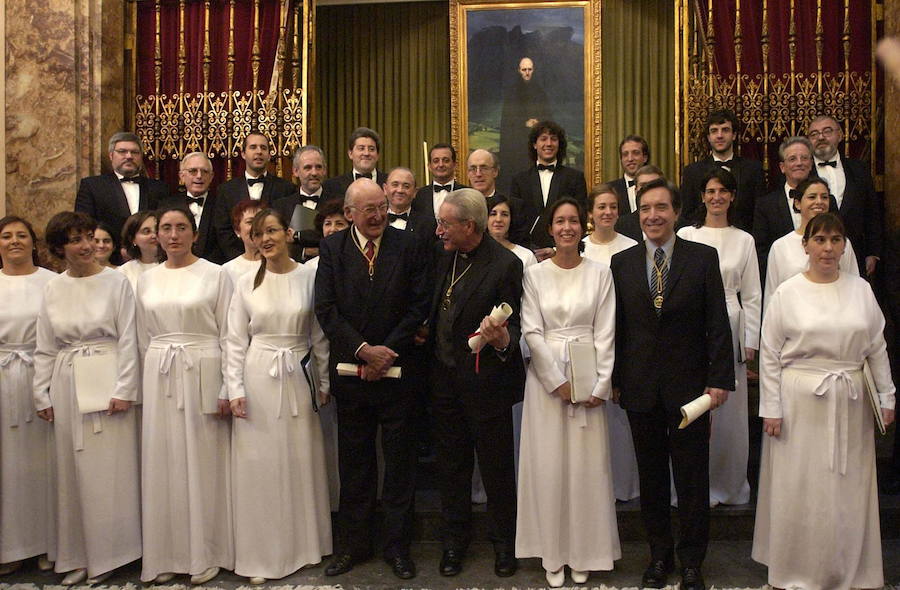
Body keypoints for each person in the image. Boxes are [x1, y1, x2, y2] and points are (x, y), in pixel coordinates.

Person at [752, 212, 896, 590]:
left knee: (846, 489)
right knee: (802, 489)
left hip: (850, 401)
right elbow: (769, 354)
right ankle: (799, 570)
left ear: (844, 245)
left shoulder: (860, 289)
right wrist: (771, 408)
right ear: (806, 246)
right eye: (820, 240)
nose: (828, 248)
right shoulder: (787, 292)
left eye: (835, 240)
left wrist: (887, 395)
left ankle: (851, 570)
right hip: (799, 403)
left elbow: (876, 347)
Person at [610, 178, 733, 590]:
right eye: (645, 209)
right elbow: (618, 328)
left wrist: (718, 380)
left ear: (677, 212)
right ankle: (659, 557)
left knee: (692, 478)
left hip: (690, 390)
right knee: (652, 479)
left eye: (660, 207)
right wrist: (614, 381)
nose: (653, 216)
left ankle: (693, 560)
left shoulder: (702, 259)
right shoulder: (622, 263)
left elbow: (717, 322)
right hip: (640, 387)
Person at [314, 178, 430, 580]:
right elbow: (326, 309)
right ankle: (354, 546)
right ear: (349, 214)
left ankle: (397, 547)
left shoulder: (408, 244)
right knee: (356, 465)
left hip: (398, 373)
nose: (379, 215)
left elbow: (419, 305)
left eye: (382, 206)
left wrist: (386, 352)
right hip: (351, 375)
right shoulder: (331, 250)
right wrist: (363, 350)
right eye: (369, 210)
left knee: (400, 467)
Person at [516, 198, 620, 587]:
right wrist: (553, 378)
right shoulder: (535, 275)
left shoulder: (600, 274)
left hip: (589, 373)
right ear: (551, 228)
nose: (566, 228)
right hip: (547, 383)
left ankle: (585, 551)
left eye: (573, 221)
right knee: (549, 466)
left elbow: (607, 330)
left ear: (584, 226)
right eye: (559, 221)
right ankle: (552, 551)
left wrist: (601, 383)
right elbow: (531, 329)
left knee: (585, 468)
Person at [33, 211, 141, 586]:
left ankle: (111, 552)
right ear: (60, 247)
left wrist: (125, 389)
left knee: (106, 473)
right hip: (67, 380)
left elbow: (130, 338)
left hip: (106, 379)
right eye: (75, 240)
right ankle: (77, 553)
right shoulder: (53, 287)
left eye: (88, 237)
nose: (85, 246)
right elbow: (44, 346)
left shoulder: (116, 282)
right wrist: (41, 392)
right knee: (71, 474)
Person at [226, 209, 332, 585]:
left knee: (299, 459)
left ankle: (303, 547)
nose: (265, 239)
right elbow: (235, 341)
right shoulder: (243, 282)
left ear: (287, 234)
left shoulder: (309, 276)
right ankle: (262, 553)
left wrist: (322, 381)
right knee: (261, 465)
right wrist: (234, 389)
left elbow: (318, 333)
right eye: (258, 234)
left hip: (299, 376)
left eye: (271, 231)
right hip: (259, 378)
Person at [429, 188, 525, 579]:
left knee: (496, 468)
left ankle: (505, 543)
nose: (439, 231)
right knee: (451, 469)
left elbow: (516, 325)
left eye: (445, 224)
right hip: (444, 381)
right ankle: (455, 542)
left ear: (469, 225)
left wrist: (503, 340)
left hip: (487, 387)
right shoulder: (443, 255)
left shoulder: (505, 265)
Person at [136, 206, 234, 584]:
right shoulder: (147, 279)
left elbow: (229, 332)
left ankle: (207, 552)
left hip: (202, 370)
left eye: (181, 228)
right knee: (165, 464)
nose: (173, 234)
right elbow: (144, 336)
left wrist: (228, 385)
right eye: (166, 228)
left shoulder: (216, 274)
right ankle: (167, 554)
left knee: (203, 463)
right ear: (157, 235)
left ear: (194, 233)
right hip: (161, 373)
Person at [677, 168, 760, 506]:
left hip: (732, 323)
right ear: (701, 196)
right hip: (691, 325)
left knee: (729, 416)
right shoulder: (687, 235)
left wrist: (750, 339)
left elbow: (753, 295)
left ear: (732, 196)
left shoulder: (745, 240)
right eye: (710, 191)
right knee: (694, 409)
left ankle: (729, 486)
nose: (716, 197)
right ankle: (693, 489)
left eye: (723, 191)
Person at [0, 216, 56, 576]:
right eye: (6, 236)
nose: (14, 241)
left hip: (42, 376)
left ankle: (46, 542)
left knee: (44, 464)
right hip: (4, 378)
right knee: (9, 466)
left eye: (22, 235)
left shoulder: (50, 282)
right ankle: (11, 545)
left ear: (34, 243)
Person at [581, 184, 640, 502]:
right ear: (590, 213)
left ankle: (622, 484)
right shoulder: (580, 247)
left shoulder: (632, 246)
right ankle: (594, 487)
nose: (607, 212)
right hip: (587, 339)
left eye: (612, 207)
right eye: (601, 207)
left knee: (618, 417)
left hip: (623, 334)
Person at [303, 197, 348, 508]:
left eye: (339, 223)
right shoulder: (308, 269)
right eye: (327, 224)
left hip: (352, 354)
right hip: (320, 357)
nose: (332, 229)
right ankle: (329, 502)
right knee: (325, 438)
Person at [807, 115, 884, 276]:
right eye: (814, 134)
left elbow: (872, 212)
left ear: (840, 135)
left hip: (857, 253)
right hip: (814, 255)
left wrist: (873, 252)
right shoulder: (802, 173)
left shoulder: (859, 169)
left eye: (827, 131)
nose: (820, 137)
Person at [764, 177, 859, 306]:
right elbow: (772, 294)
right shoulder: (780, 246)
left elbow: (853, 285)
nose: (819, 202)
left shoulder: (840, 242)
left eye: (824, 197)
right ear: (797, 203)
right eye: (812, 197)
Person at [75, 131, 168, 262]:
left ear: (141, 156)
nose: (129, 156)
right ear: (111, 155)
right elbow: (84, 225)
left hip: (152, 260)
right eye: (122, 151)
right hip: (107, 261)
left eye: (134, 152)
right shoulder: (92, 186)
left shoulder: (159, 188)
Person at [509, 121, 588, 257]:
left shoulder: (575, 178)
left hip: (564, 253)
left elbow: (580, 219)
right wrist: (529, 252)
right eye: (543, 139)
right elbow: (516, 222)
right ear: (534, 144)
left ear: (560, 144)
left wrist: (556, 250)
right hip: (528, 255)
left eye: (554, 139)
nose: (549, 143)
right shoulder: (519, 180)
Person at [213, 131, 295, 261]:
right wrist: (243, 260)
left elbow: (288, 226)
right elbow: (223, 230)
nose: (259, 152)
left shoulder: (286, 188)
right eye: (253, 147)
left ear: (269, 155)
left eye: (263, 148)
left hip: (275, 260)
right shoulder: (226, 190)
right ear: (243, 154)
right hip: (238, 263)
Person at [753, 136, 824, 283]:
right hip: (782, 282)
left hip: (822, 277)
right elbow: (761, 251)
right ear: (782, 167)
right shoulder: (766, 205)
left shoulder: (826, 201)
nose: (799, 163)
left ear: (811, 164)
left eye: (804, 158)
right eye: (792, 159)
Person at [680, 109, 765, 231]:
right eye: (714, 131)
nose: (719, 135)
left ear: (734, 135)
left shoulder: (753, 170)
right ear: (708, 137)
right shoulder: (692, 172)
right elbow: (686, 214)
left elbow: (759, 214)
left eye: (725, 130)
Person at [272, 145, 341, 261]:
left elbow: (337, 239)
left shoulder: (337, 203)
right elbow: (277, 241)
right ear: (295, 171)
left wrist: (296, 236)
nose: (314, 173)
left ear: (324, 170)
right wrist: (305, 251)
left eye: (318, 167)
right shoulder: (280, 206)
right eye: (308, 168)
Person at [161, 152, 226, 263]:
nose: (199, 176)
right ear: (182, 176)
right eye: (193, 171)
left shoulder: (222, 204)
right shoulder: (167, 205)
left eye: (204, 171)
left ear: (211, 177)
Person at [499, 57, 552, 177]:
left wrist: (538, 122)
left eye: (529, 69)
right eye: (524, 70)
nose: (527, 73)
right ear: (519, 70)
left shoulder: (540, 92)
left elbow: (548, 116)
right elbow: (507, 121)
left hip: (537, 141)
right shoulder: (512, 93)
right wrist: (524, 123)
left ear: (533, 70)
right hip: (517, 142)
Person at [466, 149, 530, 246]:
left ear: (495, 171)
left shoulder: (515, 206)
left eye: (484, 168)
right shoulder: (459, 208)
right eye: (473, 169)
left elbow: (522, 246)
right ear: (468, 173)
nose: (478, 174)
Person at [322, 128, 389, 198]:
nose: (366, 153)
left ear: (378, 155)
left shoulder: (390, 183)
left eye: (371, 149)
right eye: (361, 148)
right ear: (350, 154)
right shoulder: (333, 186)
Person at [604, 135, 650, 225]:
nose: (630, 159)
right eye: (625, 154)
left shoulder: (659, 187)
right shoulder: (610, 189)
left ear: (645, 158)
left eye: (635, 153)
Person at [412, 143, 467, 219]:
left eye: (446, 160)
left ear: (454, 165)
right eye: (436, 161)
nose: (441, 165)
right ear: (429, 166)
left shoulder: (466, 193)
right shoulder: (420, 195)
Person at [486, 195, 537, 269]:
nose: (498, 219)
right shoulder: (476, 253)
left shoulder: (526, 256)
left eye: (504, 214)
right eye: (493, 214)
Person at [384, 167, 435, 236]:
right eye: (395, 185)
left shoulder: (428, 225)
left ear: (415, 192)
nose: (400, 190)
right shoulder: (376, 220)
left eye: (406, 186)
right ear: (385, 189)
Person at [222, 199, 263, 284]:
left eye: (260, 221)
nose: (256, 226)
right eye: (250, 222)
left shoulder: (283, 264)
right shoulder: (227, 270)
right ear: (237, 230)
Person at [118, 211, 158, 291]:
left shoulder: (175, 264)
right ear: (132, 239)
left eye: (157, 230)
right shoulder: (124, 272)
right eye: (147, 231)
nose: (154, 235)